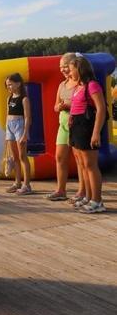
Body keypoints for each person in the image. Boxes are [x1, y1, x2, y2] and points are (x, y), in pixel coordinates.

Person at [68, 55, 108, 213]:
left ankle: (97, 201)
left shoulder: (92, 85)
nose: (69, 73)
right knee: (82, 164)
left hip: (87, 127)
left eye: (71, 70)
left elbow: (101, 109)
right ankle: (88, 197)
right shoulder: (78, 86)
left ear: (79, 69)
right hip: (76, 127)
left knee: (90, 165)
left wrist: (96, 133)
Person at [45, 53, 79, 201]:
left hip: (78, 123)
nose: (63, 70)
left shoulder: (81, 83)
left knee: (80, 159)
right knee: (60, 157)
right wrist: (59, 106)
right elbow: (55, 106)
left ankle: (82, 191)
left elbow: (84, 103)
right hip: (63, 124)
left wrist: (68, 105)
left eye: (65, 66)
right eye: (61, 67)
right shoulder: (62, 85)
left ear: (74, 65)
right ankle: (61, 190)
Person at [4, 73, 33, 195]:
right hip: (9, 125)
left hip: (20, 125)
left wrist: (25, 133)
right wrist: (6, 130)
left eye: (10, 84)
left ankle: (27, 184)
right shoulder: (9, 98)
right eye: (7, 85)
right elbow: (7, 113)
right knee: (15, 157)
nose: (9, 87)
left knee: (22, 156)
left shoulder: (24, 99)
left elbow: (27, 117)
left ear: (18, 83)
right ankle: (17, 182)